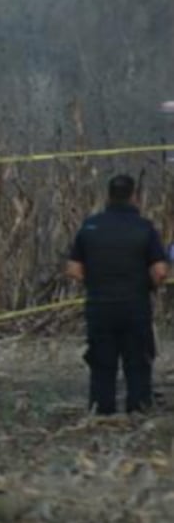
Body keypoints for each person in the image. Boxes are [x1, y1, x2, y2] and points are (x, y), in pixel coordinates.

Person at [66, 174, 168, 415]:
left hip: (99, 305)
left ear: (108, 195)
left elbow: (73, 270)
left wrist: (96, 281)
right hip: (135, 305)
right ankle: (138, 409)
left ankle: (102, 411)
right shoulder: (144, 228)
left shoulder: (90, 226)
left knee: (102, 362)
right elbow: (160, 271)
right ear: (134, 196)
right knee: (138, 362)